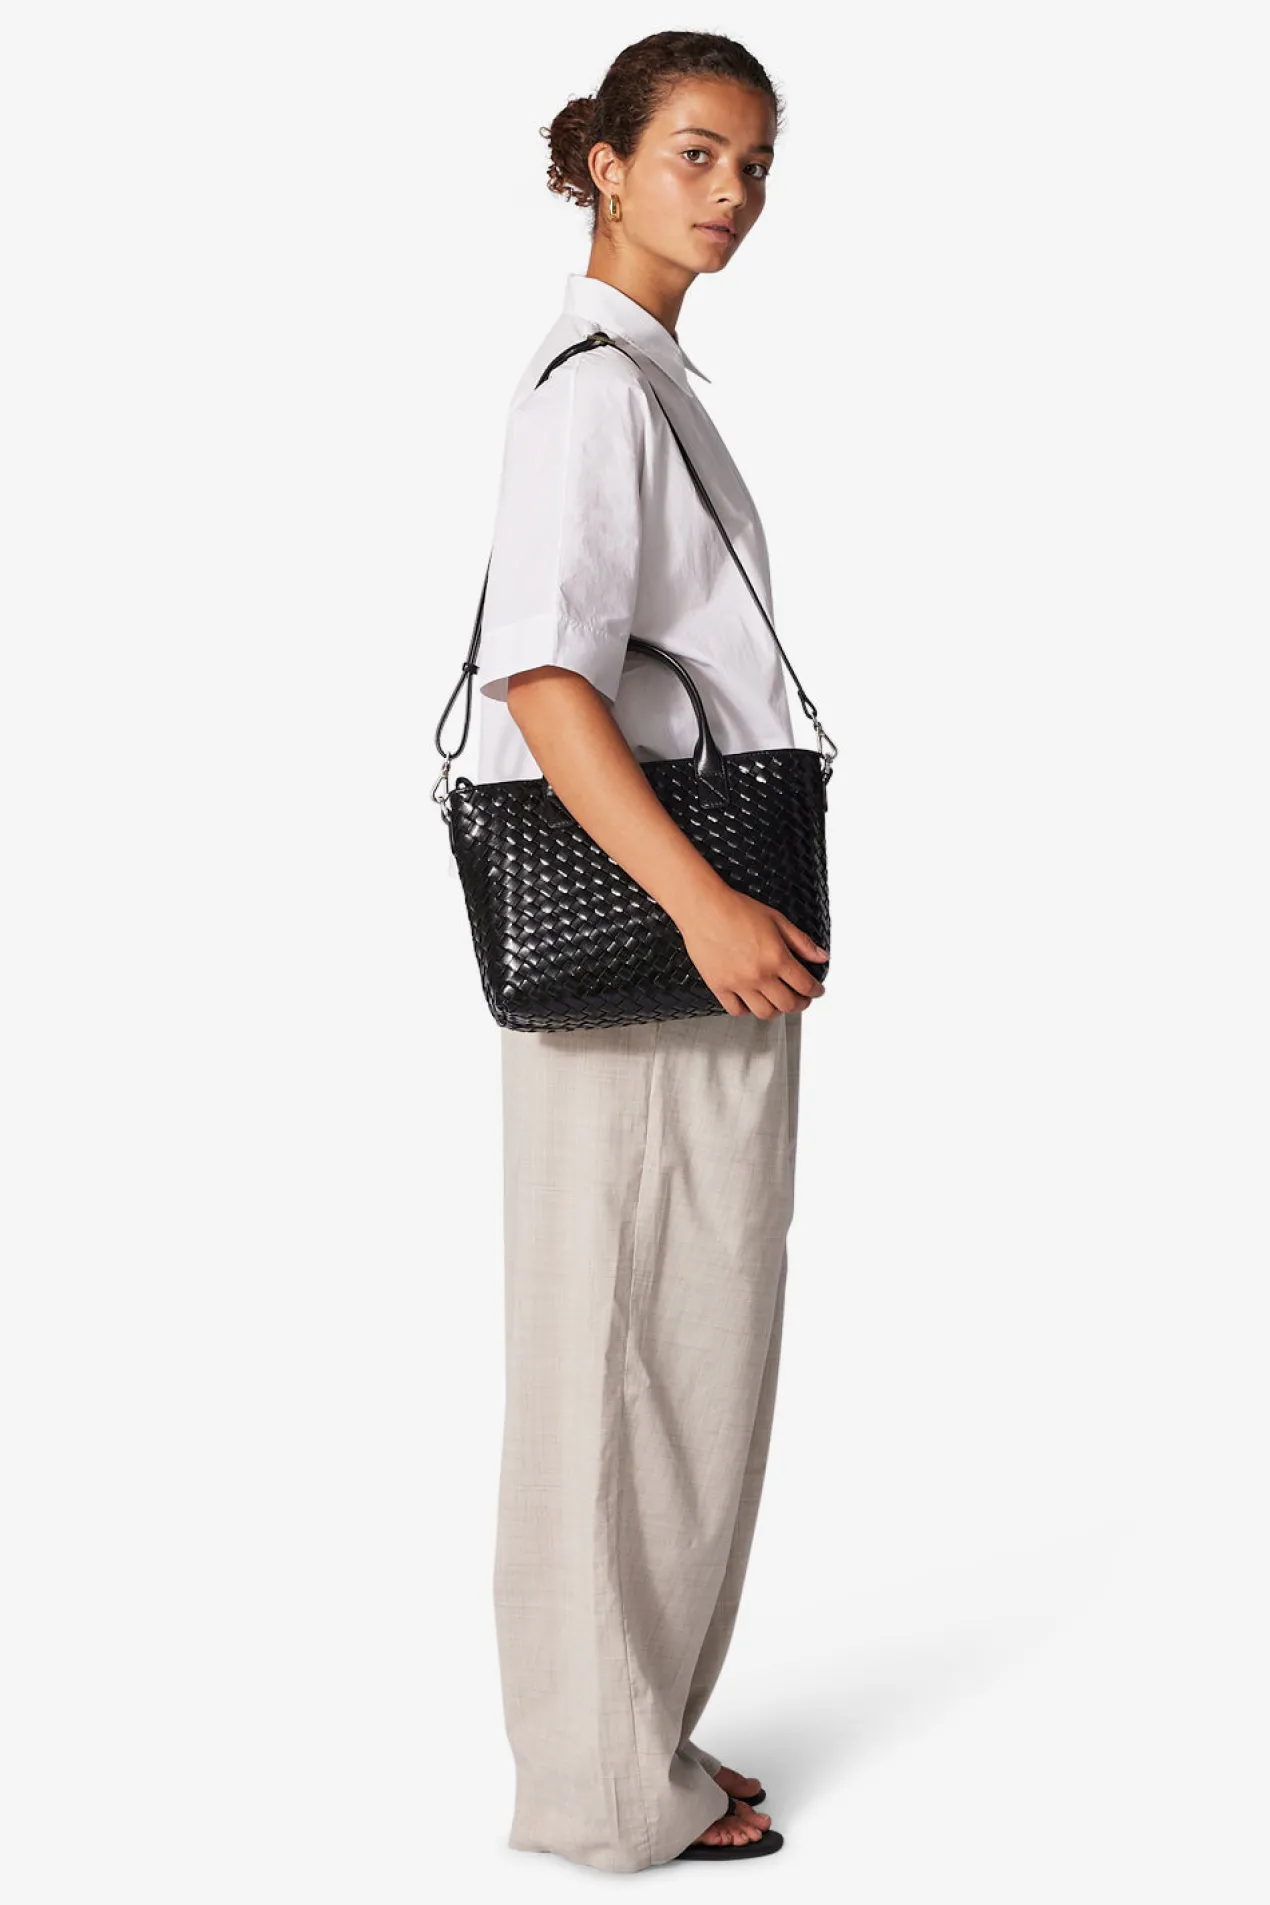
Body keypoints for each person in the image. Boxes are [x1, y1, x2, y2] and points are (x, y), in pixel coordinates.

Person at [474, 31, 826, 1873]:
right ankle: (608, 1791)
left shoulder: (646, 383)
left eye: (754, 162)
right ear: (603, 165)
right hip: (662, 926)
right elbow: (543, 680)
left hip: (697, 922)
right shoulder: (590, 395)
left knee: (680, 1337)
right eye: (694, 152)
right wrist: (701, 904)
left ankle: (634, 1744)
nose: (731, 192)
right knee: (625, 1347)